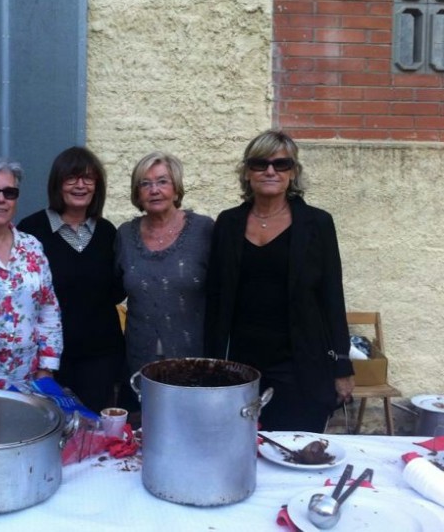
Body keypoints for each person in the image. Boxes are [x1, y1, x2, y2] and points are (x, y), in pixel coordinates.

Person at [204, 130, 354, 433]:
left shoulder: (317, 224)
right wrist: (211, 363)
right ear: (247, 172)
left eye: (281, 164)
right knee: (237, 446)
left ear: (293, 172)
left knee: (296, 447)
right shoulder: (228, 223)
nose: (270, 171)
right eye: (260, 164)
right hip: (240, 364)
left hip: (299, 363)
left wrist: (342, 365)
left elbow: (332, 298)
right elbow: (215, 298)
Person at [18, 147, 126, 413]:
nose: (80, 185)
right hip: (48, 361)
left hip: (100, 358)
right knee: (51, 427)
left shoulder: (107, 232)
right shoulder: (31, 231)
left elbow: (116, 290)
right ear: (57, 183)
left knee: (94, 430)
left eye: (88, 178)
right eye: (72, 178)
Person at [115, 151, 214, 403]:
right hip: (139, 360)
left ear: (176, 189)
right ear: (137, 193)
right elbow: (112, 290)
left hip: (193, 358)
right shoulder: (124, 235)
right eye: (145, 184)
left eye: (162, 181)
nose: (154, 190)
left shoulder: (204, 230)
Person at [0, 157, 63, 392]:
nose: (1, 199)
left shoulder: (32, 246)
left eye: (9, 192)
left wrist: (46, 369)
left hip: (28, 380)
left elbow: (48, 309)